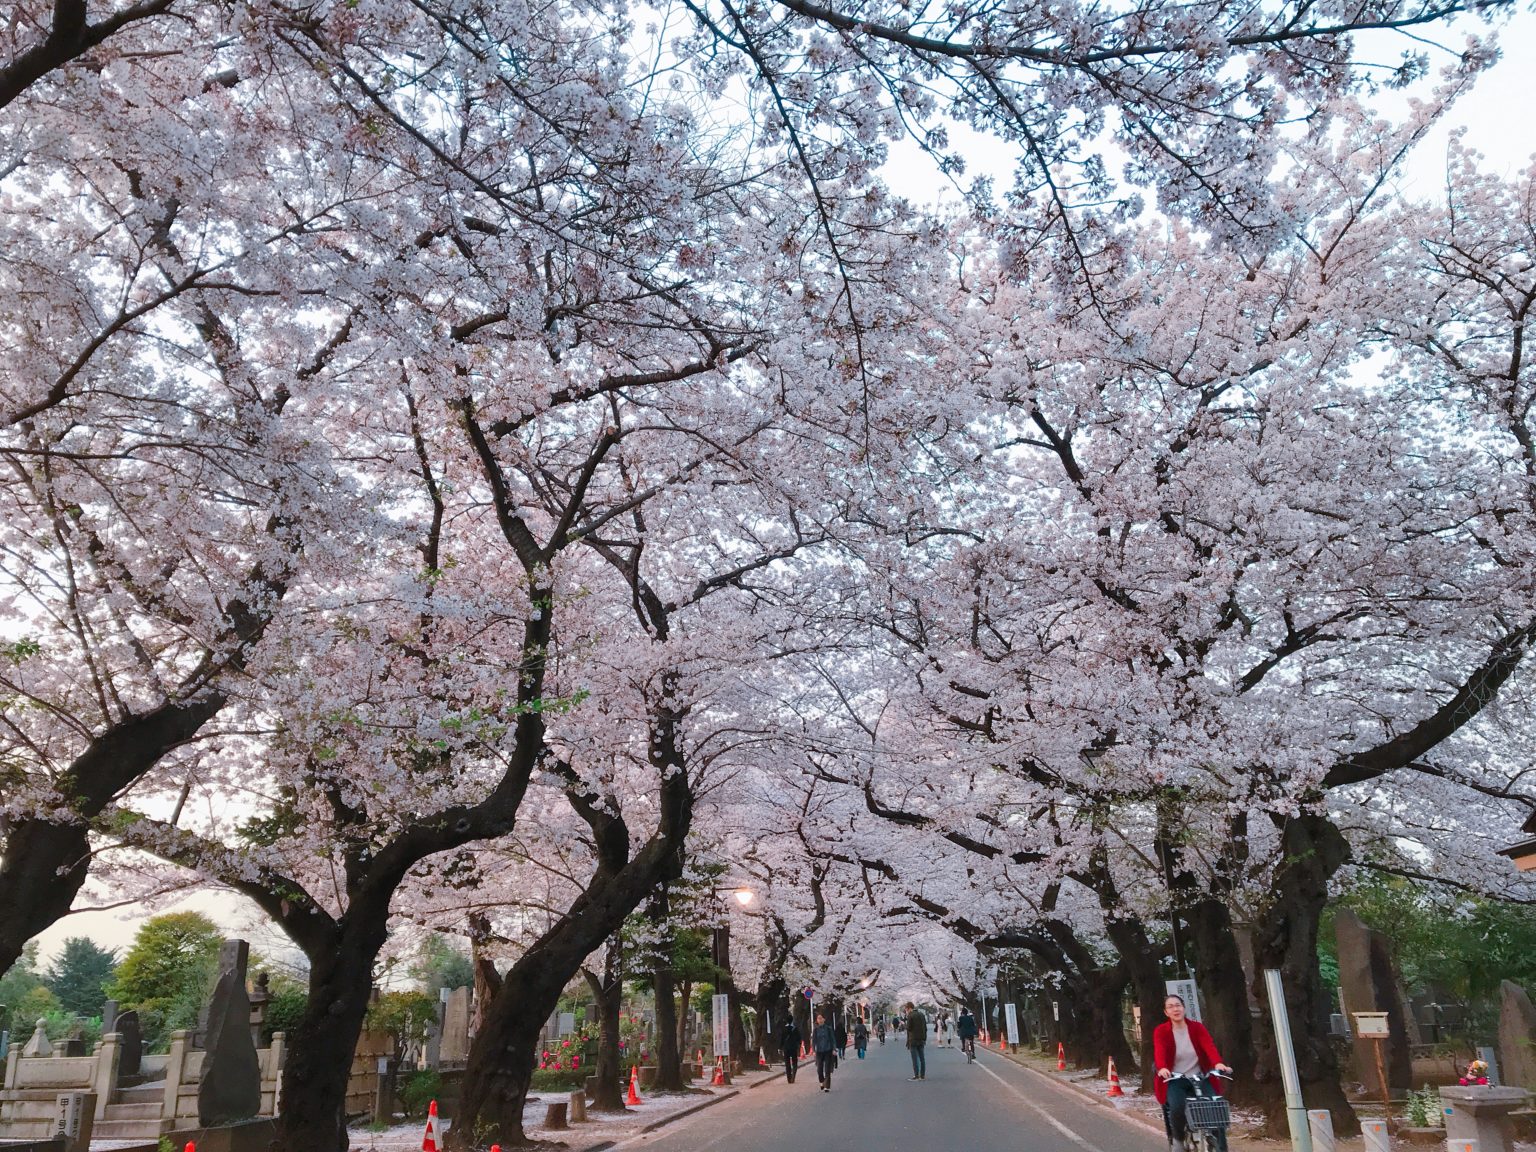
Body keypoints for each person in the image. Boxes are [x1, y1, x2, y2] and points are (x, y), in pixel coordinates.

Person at [1154, 994, 1232, 1152]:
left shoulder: (1197, 1028)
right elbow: (1160, 1051)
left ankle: (1220, 1148)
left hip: (1200, 1077)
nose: (1175, 1009)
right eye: (1170, 1006)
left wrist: (1218, 1063)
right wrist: (1162, 1068)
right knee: (1177, 1107)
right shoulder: (1161, 1031)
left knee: (1215, 1109)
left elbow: (1208, 1046)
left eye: (1178, 1005)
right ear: (1166, 1012)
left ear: (1183, 1008)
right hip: (1175, 1079)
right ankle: (1178, 1140)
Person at [812, 1012, 837, 1092]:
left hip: (828, 1050)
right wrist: (813, 1050)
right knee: (819, 1069)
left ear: (824, 1019)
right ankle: (821, 1081)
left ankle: (827, 1086)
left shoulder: (828, 1029)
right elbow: (814, 1041)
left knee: (827, 1069)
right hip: (819, 1051)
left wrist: (834, 1049)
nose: (819, 1020)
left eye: (821, 1018)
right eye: (818, 1018)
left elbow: (833, 1039)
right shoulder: (815, 1030)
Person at [904, 1001, 927, 1080]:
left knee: (915, 1059)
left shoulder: (910, 1016)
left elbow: (909, 1028)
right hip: (921, 1039)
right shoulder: (921, 1015)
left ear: (909, 1008)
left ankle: (916, 1075)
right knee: (922, 1058)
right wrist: (924, 1038)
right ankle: (922, 1075)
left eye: (906, 1010)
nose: (906, 1011)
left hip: (913, 1039)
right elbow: (925, 1028)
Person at [781, 1017, 802, 1084]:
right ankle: (793, 1076)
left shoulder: (784, 1029)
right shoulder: (795, 1028)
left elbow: (782, 1039)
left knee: (787, 1063)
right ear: (792, 1020)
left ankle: (789, 1079)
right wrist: (798, 1045)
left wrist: (780, 1047)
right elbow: (799, 1039)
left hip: (786, 1048)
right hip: (793, 1048)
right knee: (794, 1062)